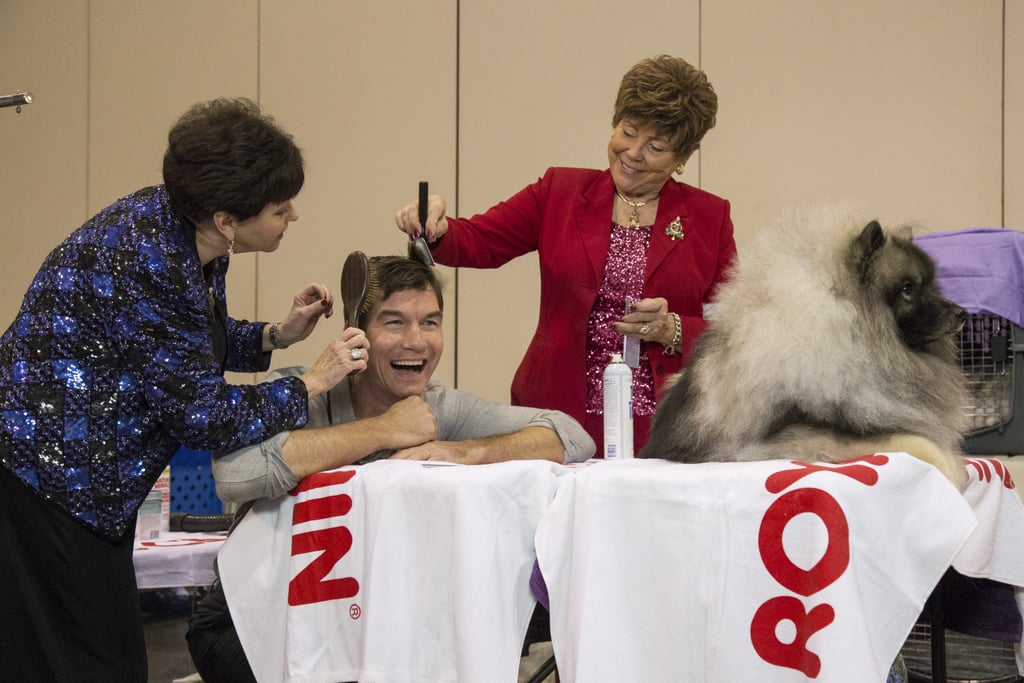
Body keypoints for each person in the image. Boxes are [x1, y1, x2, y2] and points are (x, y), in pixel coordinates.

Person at [0, 98, 364, 682]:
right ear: (227, 219)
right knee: (87, 662)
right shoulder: (147, 257)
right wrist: (312, 381)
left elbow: (183, 345)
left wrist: (276, 334)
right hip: (49, 481)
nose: (292, 215)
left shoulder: (188, 231)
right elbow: (206, 415)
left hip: (74, 480)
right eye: (278, 207)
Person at [186, 255, 594, 683]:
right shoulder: (305, 392)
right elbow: (234, 473)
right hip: (255, 615)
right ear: (356, 334)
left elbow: (569, 435)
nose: (416, 341)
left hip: (371, 615)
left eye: (431, 323)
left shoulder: (439, 408)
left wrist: (464, 452)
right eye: (395, 323)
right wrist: (383, 430)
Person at [395, 55, 737, 455]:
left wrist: (673, 329)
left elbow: (735, 328)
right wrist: (436, 227)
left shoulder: (710, 217)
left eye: (656, 147)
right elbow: (479, 240)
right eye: (627, 132)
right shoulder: (560, 192)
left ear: (685, 155)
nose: (632, 153)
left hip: (661, 422)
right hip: (555, 414)